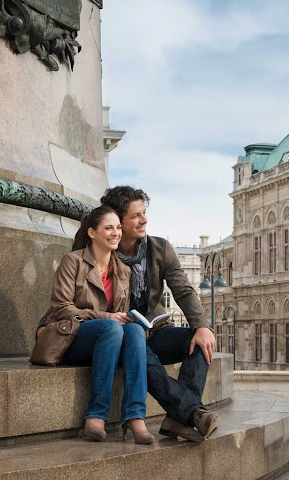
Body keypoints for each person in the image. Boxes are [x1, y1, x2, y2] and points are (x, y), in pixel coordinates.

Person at [39, 187, 220, 442]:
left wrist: (202, 326)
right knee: (132, 337)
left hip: (151, 331)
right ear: (117, 220)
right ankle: (190, 413)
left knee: (201, 342)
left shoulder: (159, 249)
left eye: (144, 213)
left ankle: (180, 417)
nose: (144, 220)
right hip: (117, 334)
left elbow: (184, 290)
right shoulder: (95, 250)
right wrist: (45, 324)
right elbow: (70, 296)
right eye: (136, 216)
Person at [48, 205, 154, 444]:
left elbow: (120, 313)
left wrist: (134, 321)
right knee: (112, 327)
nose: (116, 233)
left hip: (110, 341)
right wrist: (108, 318)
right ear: (92, 233)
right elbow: (62, 309)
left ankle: (135, 417)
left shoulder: (123, 271)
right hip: (73, 340)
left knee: (135, 329)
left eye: (118, 227)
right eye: (108, 228)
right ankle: (96, 415)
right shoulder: (72, 262)